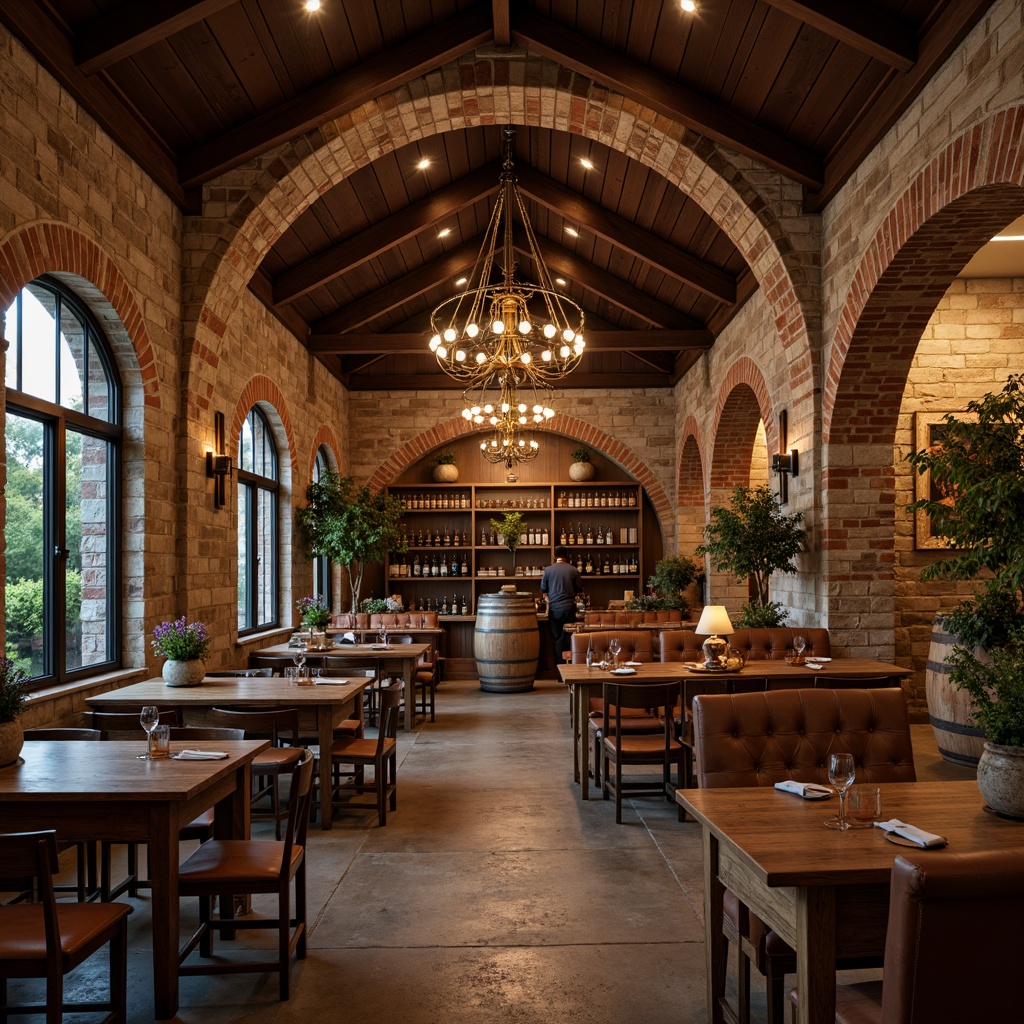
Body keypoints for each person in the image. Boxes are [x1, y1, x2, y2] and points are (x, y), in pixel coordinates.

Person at [540, 546, 584, 664]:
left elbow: (543, 588)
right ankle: (569, 668)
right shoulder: (573, 570)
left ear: (555, 556)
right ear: (567, 556)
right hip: (569, 609)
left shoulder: (548, 570)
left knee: (557, 639)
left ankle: (560, 671)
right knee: (569, 639)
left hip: (554, 610)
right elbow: (579, 588)